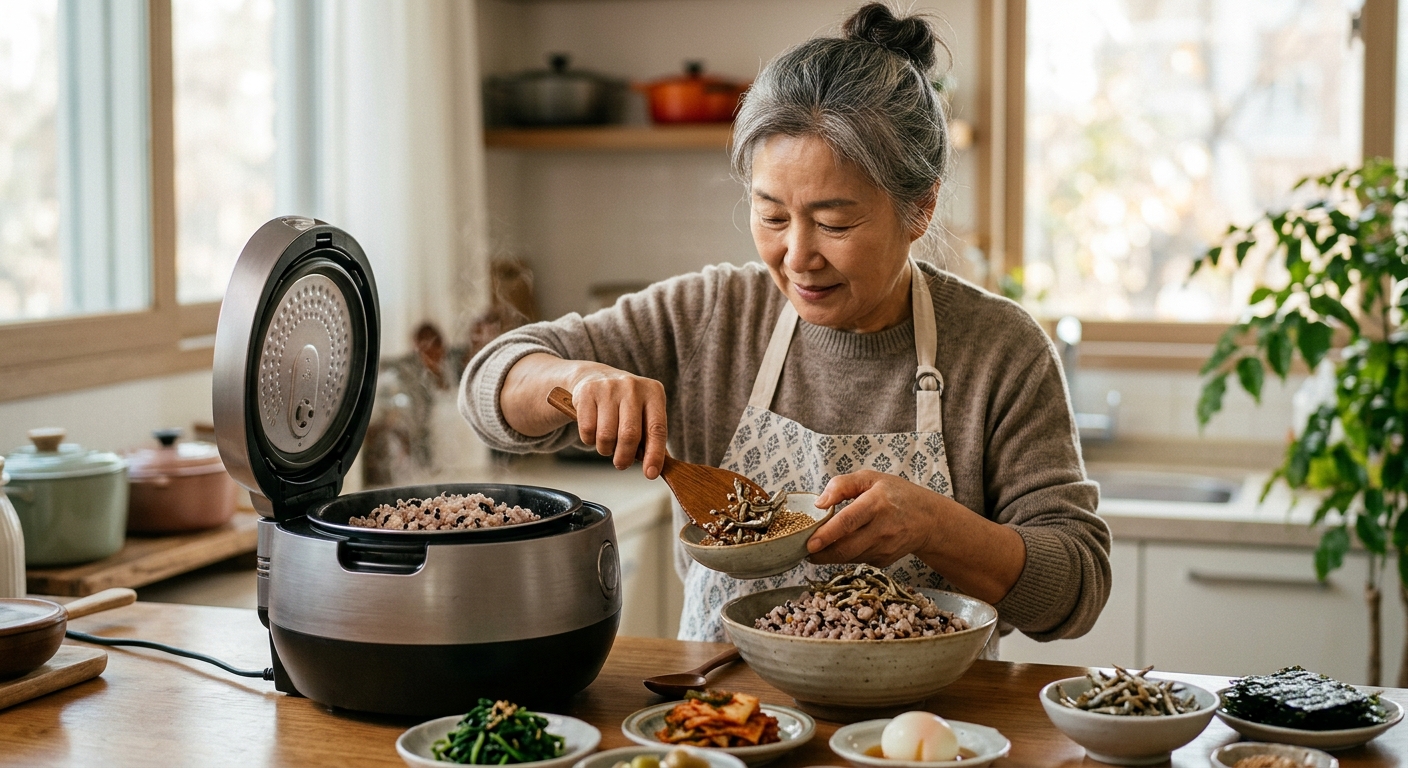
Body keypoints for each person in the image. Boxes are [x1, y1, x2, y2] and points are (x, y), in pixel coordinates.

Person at [461, 2, 1109, 647]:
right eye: (771, 216)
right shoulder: (712, 315)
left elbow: (1075, 591)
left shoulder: (1001, 349)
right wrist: (572, 378)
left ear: (920, 208)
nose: (797, 256)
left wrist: (935, 527)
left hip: (927, 738)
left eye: (834, 222)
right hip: (725, 724)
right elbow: (489, 386)